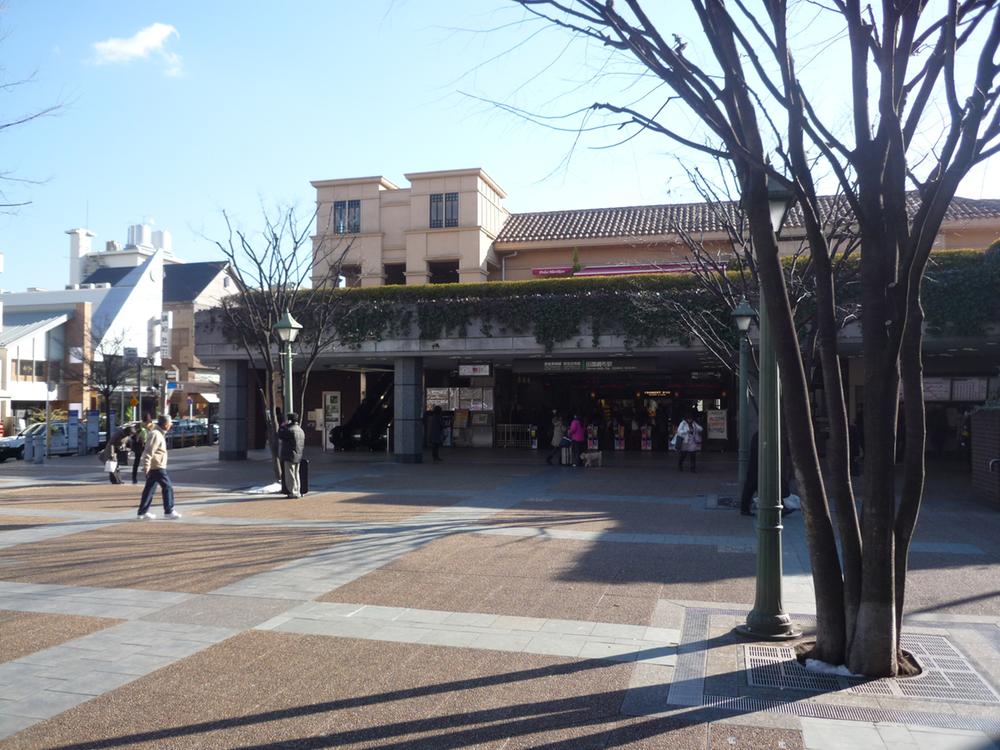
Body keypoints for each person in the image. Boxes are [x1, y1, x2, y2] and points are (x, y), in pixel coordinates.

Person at [137, 415, 180, 520]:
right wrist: (146, 466)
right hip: (157, 467)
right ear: (166, 424)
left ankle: (142, 512)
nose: (171, 426)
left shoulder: (159, 433)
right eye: (170, 424)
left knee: (149, 489)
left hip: (155, 466)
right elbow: (148, 451)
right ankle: (169, 511)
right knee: (168, 487)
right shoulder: (156, 434)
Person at [277, 412, 306, 496]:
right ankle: (298, 490)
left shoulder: (289, 430)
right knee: (296, 474)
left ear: (289, 420)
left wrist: (282, 426)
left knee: (290, 475)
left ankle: (292, 492)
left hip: (289, 455)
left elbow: (280, 434)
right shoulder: (300, 430)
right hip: (298, 455)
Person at [130, 417, 152, 484]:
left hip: (138, 448)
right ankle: (147, 477)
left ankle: (134, 478)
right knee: (147, 462)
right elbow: (144, 439)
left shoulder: (139, 430)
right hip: (143, 447)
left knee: (136, 463)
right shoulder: (144, 430)